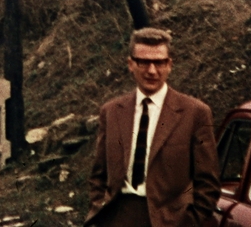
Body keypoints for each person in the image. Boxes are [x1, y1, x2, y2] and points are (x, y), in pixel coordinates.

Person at [87, 27, 220, 227]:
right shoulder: (112, 111)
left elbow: (208, 182)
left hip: (170, 220)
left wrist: (189, 221)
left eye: (159, 62)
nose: (151, 70)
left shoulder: (195, 113)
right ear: (130, 64)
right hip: (118, 216)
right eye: (143, 62)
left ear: (169, 65)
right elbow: (99, 174)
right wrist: (101, 210)